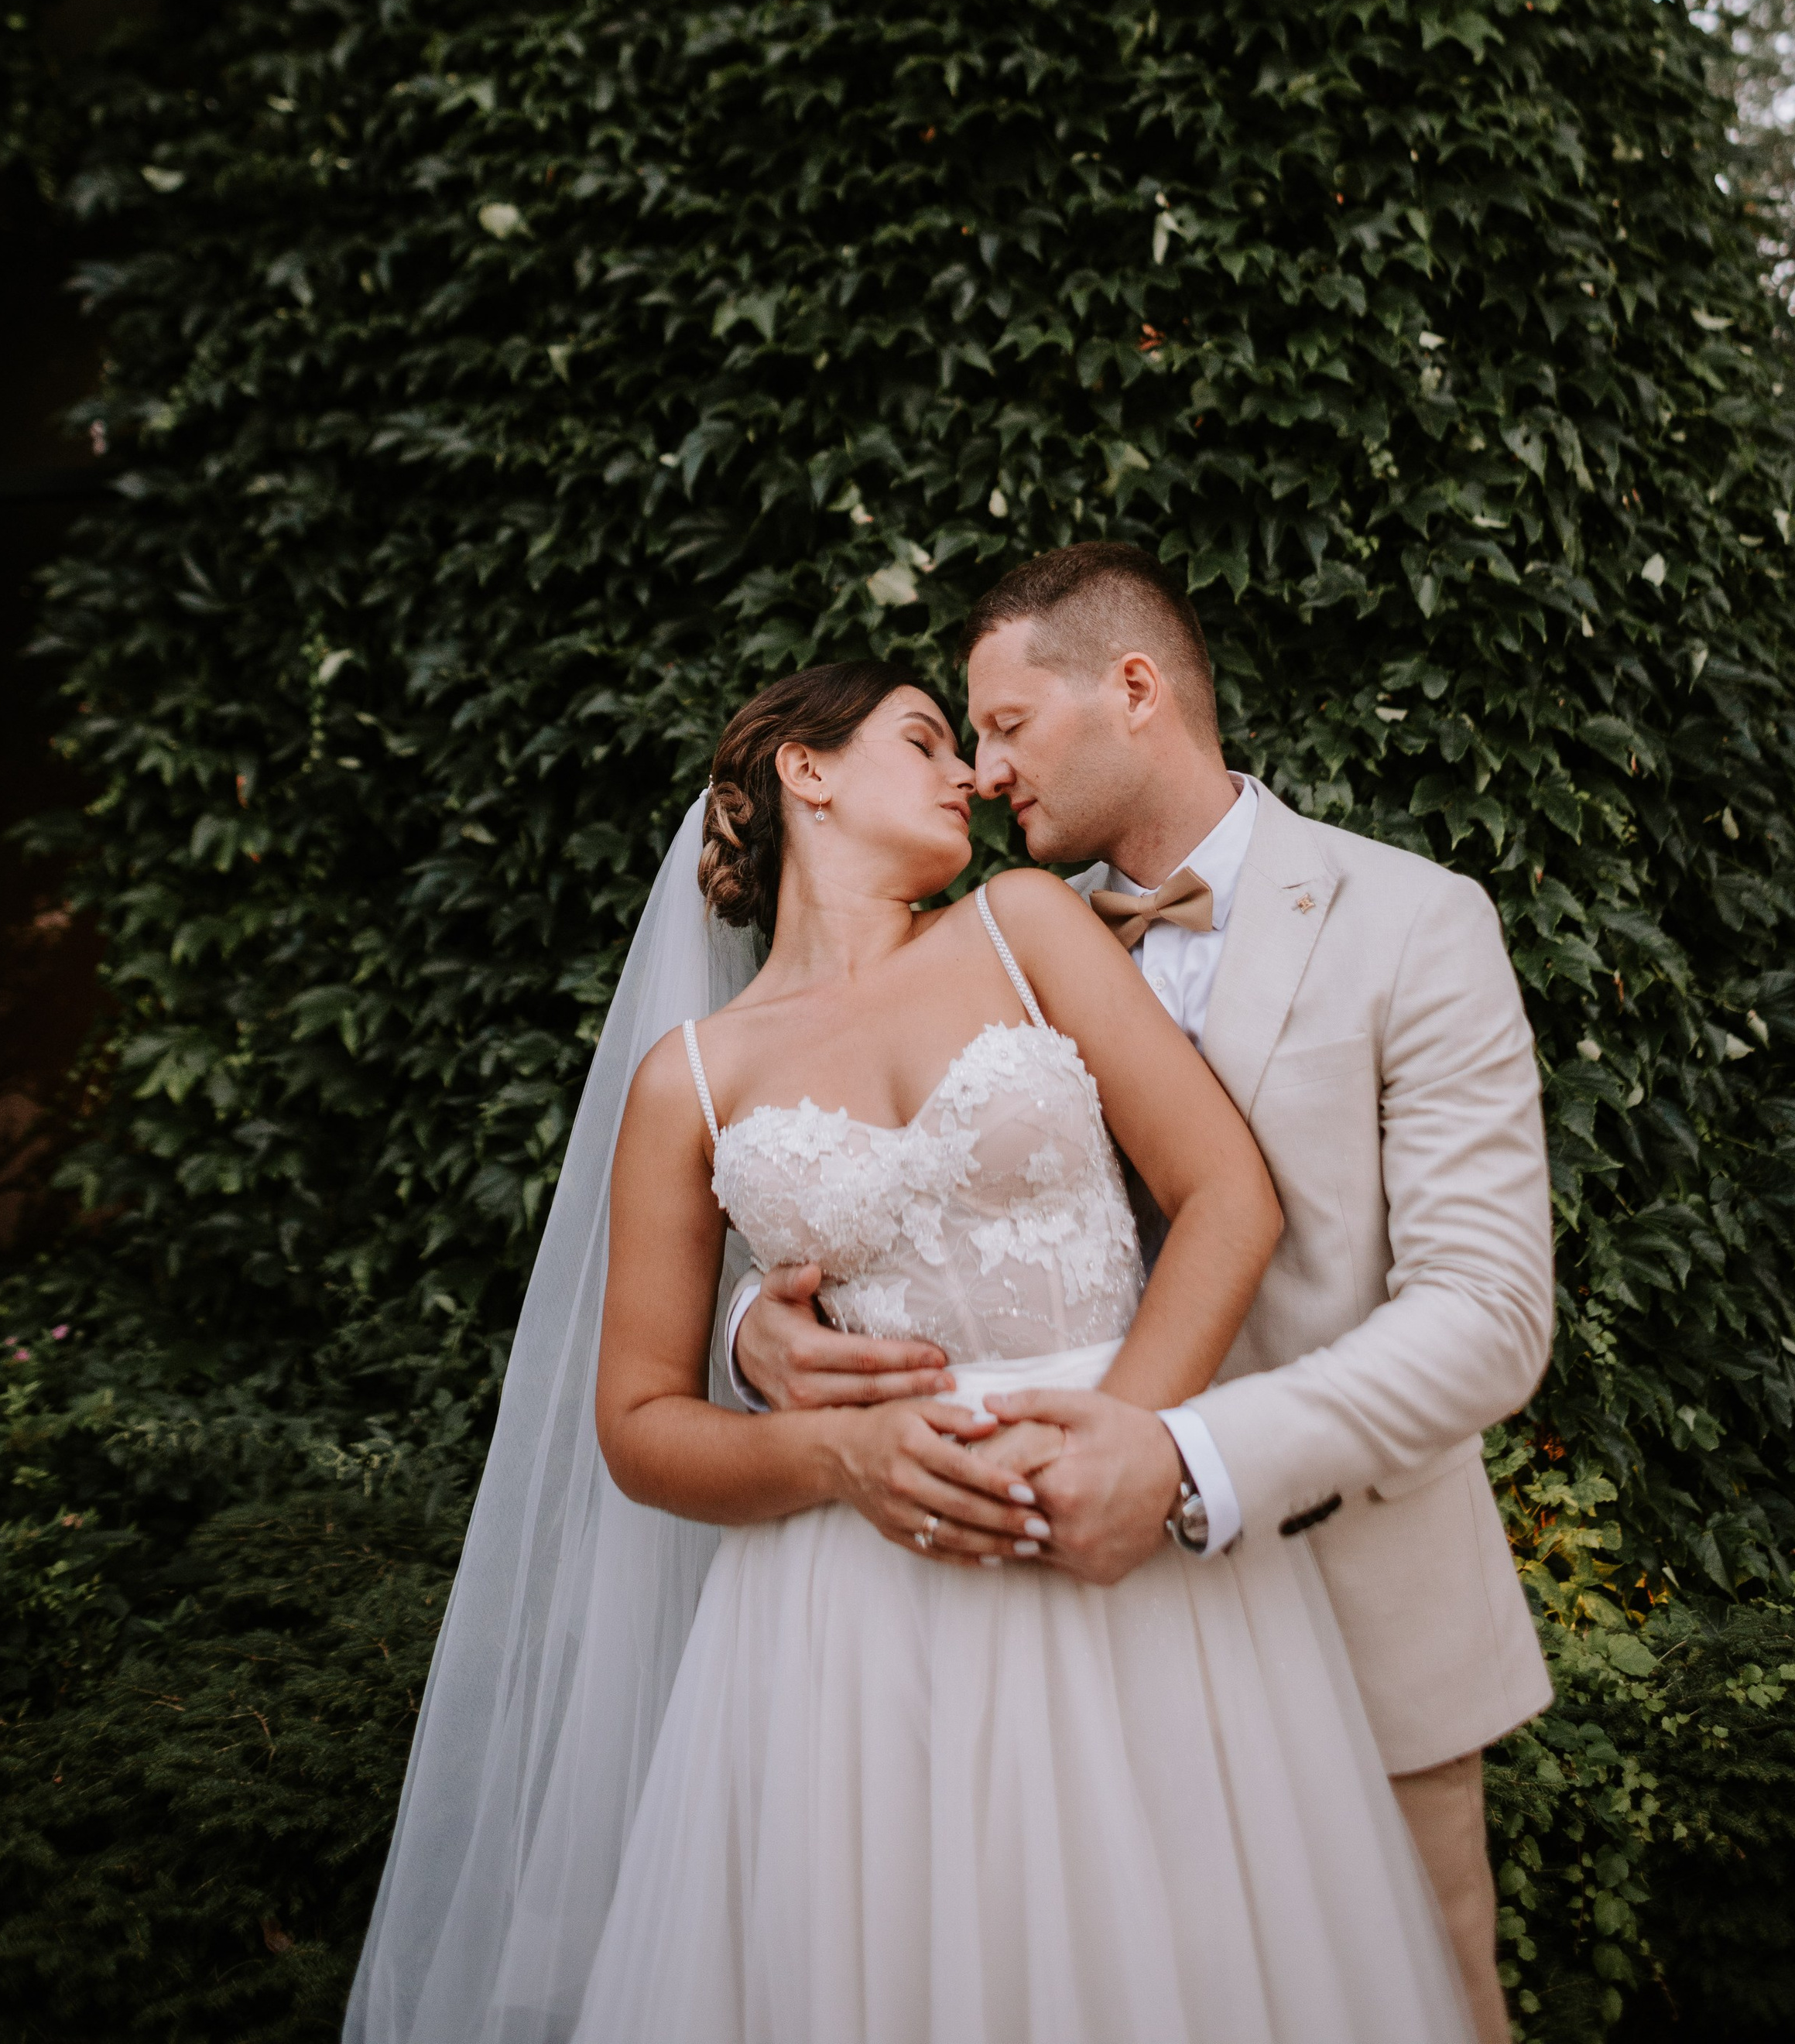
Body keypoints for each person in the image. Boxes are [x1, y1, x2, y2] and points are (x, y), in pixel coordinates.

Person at [348, 656, 1476, 2044]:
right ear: (803, 772)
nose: (973, 777)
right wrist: (832, 1448)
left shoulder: (1021, 926)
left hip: (1118, 1531)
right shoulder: (688, 1079)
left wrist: (1122, 1437)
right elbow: (639, 1423)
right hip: (845, 1609)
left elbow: (1226, 1196)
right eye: (930, 739)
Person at [731, 544, 1556, 2044]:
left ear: (1131, 691)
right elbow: (857, 1154)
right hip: (1044, 1661)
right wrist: (754, 1330)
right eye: (960, 739)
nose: (980, 776)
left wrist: (1182, 1455)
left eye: (1001, 727)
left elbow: (1489, 1316)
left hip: (1349, 1608)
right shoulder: (990, 939)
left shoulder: (1413, 923)